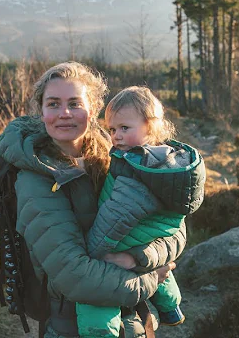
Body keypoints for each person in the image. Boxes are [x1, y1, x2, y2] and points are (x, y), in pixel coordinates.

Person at [0, 62, 185, 337]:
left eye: (74, 103)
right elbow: (74, 275)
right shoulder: (36, 179)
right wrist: (150, 279)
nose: (64, 114)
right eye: (53, 104)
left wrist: (138, 257)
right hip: (72, 326)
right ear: (42, 112)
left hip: (130, 322)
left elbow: (172, 226)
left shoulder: (115, 155)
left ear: (93, 110)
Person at [76, 86, 205, 337]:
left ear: (150, 126)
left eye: (125, 128)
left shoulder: (135, 169)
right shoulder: (166, 160)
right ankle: (171, 308)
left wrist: (92, 253)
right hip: (151, 238)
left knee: (96, 294)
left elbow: (116, 218)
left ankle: (99, 331)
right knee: (159, 267)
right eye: (112, 129)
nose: (116, 136)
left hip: (124, 238)